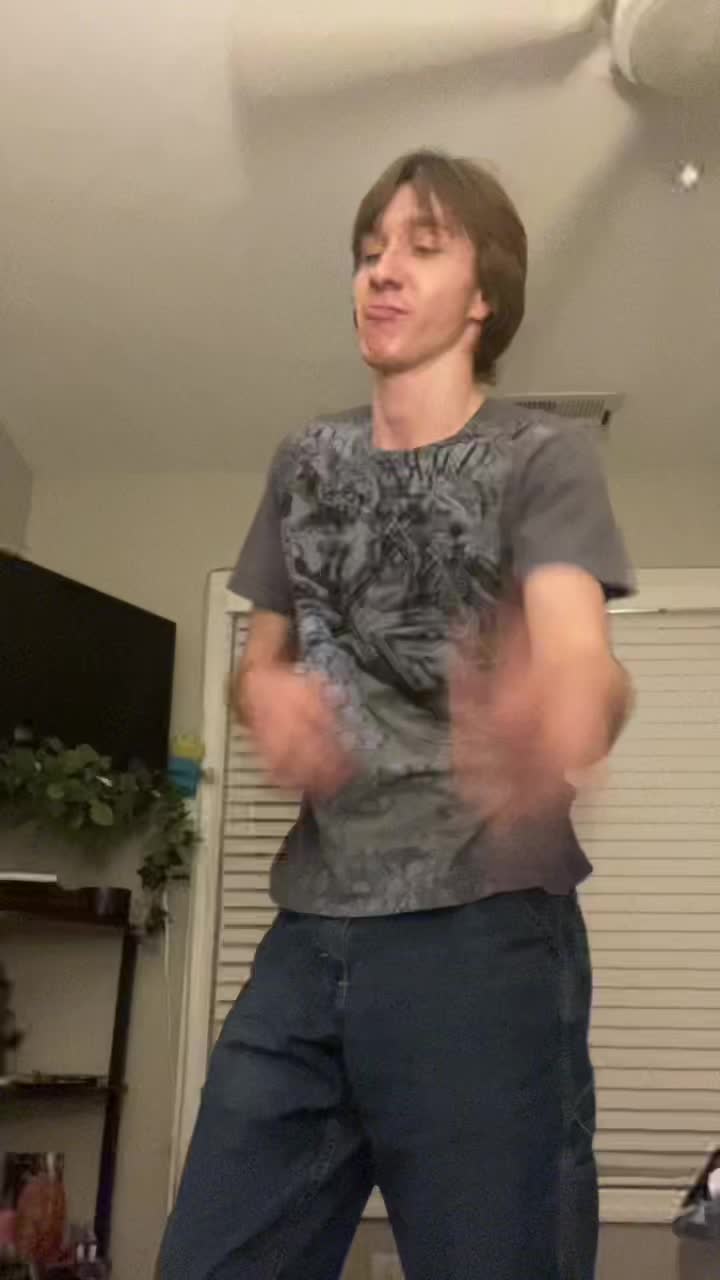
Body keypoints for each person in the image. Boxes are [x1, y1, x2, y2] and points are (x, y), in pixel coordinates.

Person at [159, 150, 635, 1280]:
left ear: (484, 297)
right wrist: (265, 694)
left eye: (423, 247)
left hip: (485, 931)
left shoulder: (543, 454)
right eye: (370, 250)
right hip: (309, 933)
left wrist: (559, 712)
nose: (381, 270)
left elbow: (584, 660)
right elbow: (259, 662)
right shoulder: (304, 460)